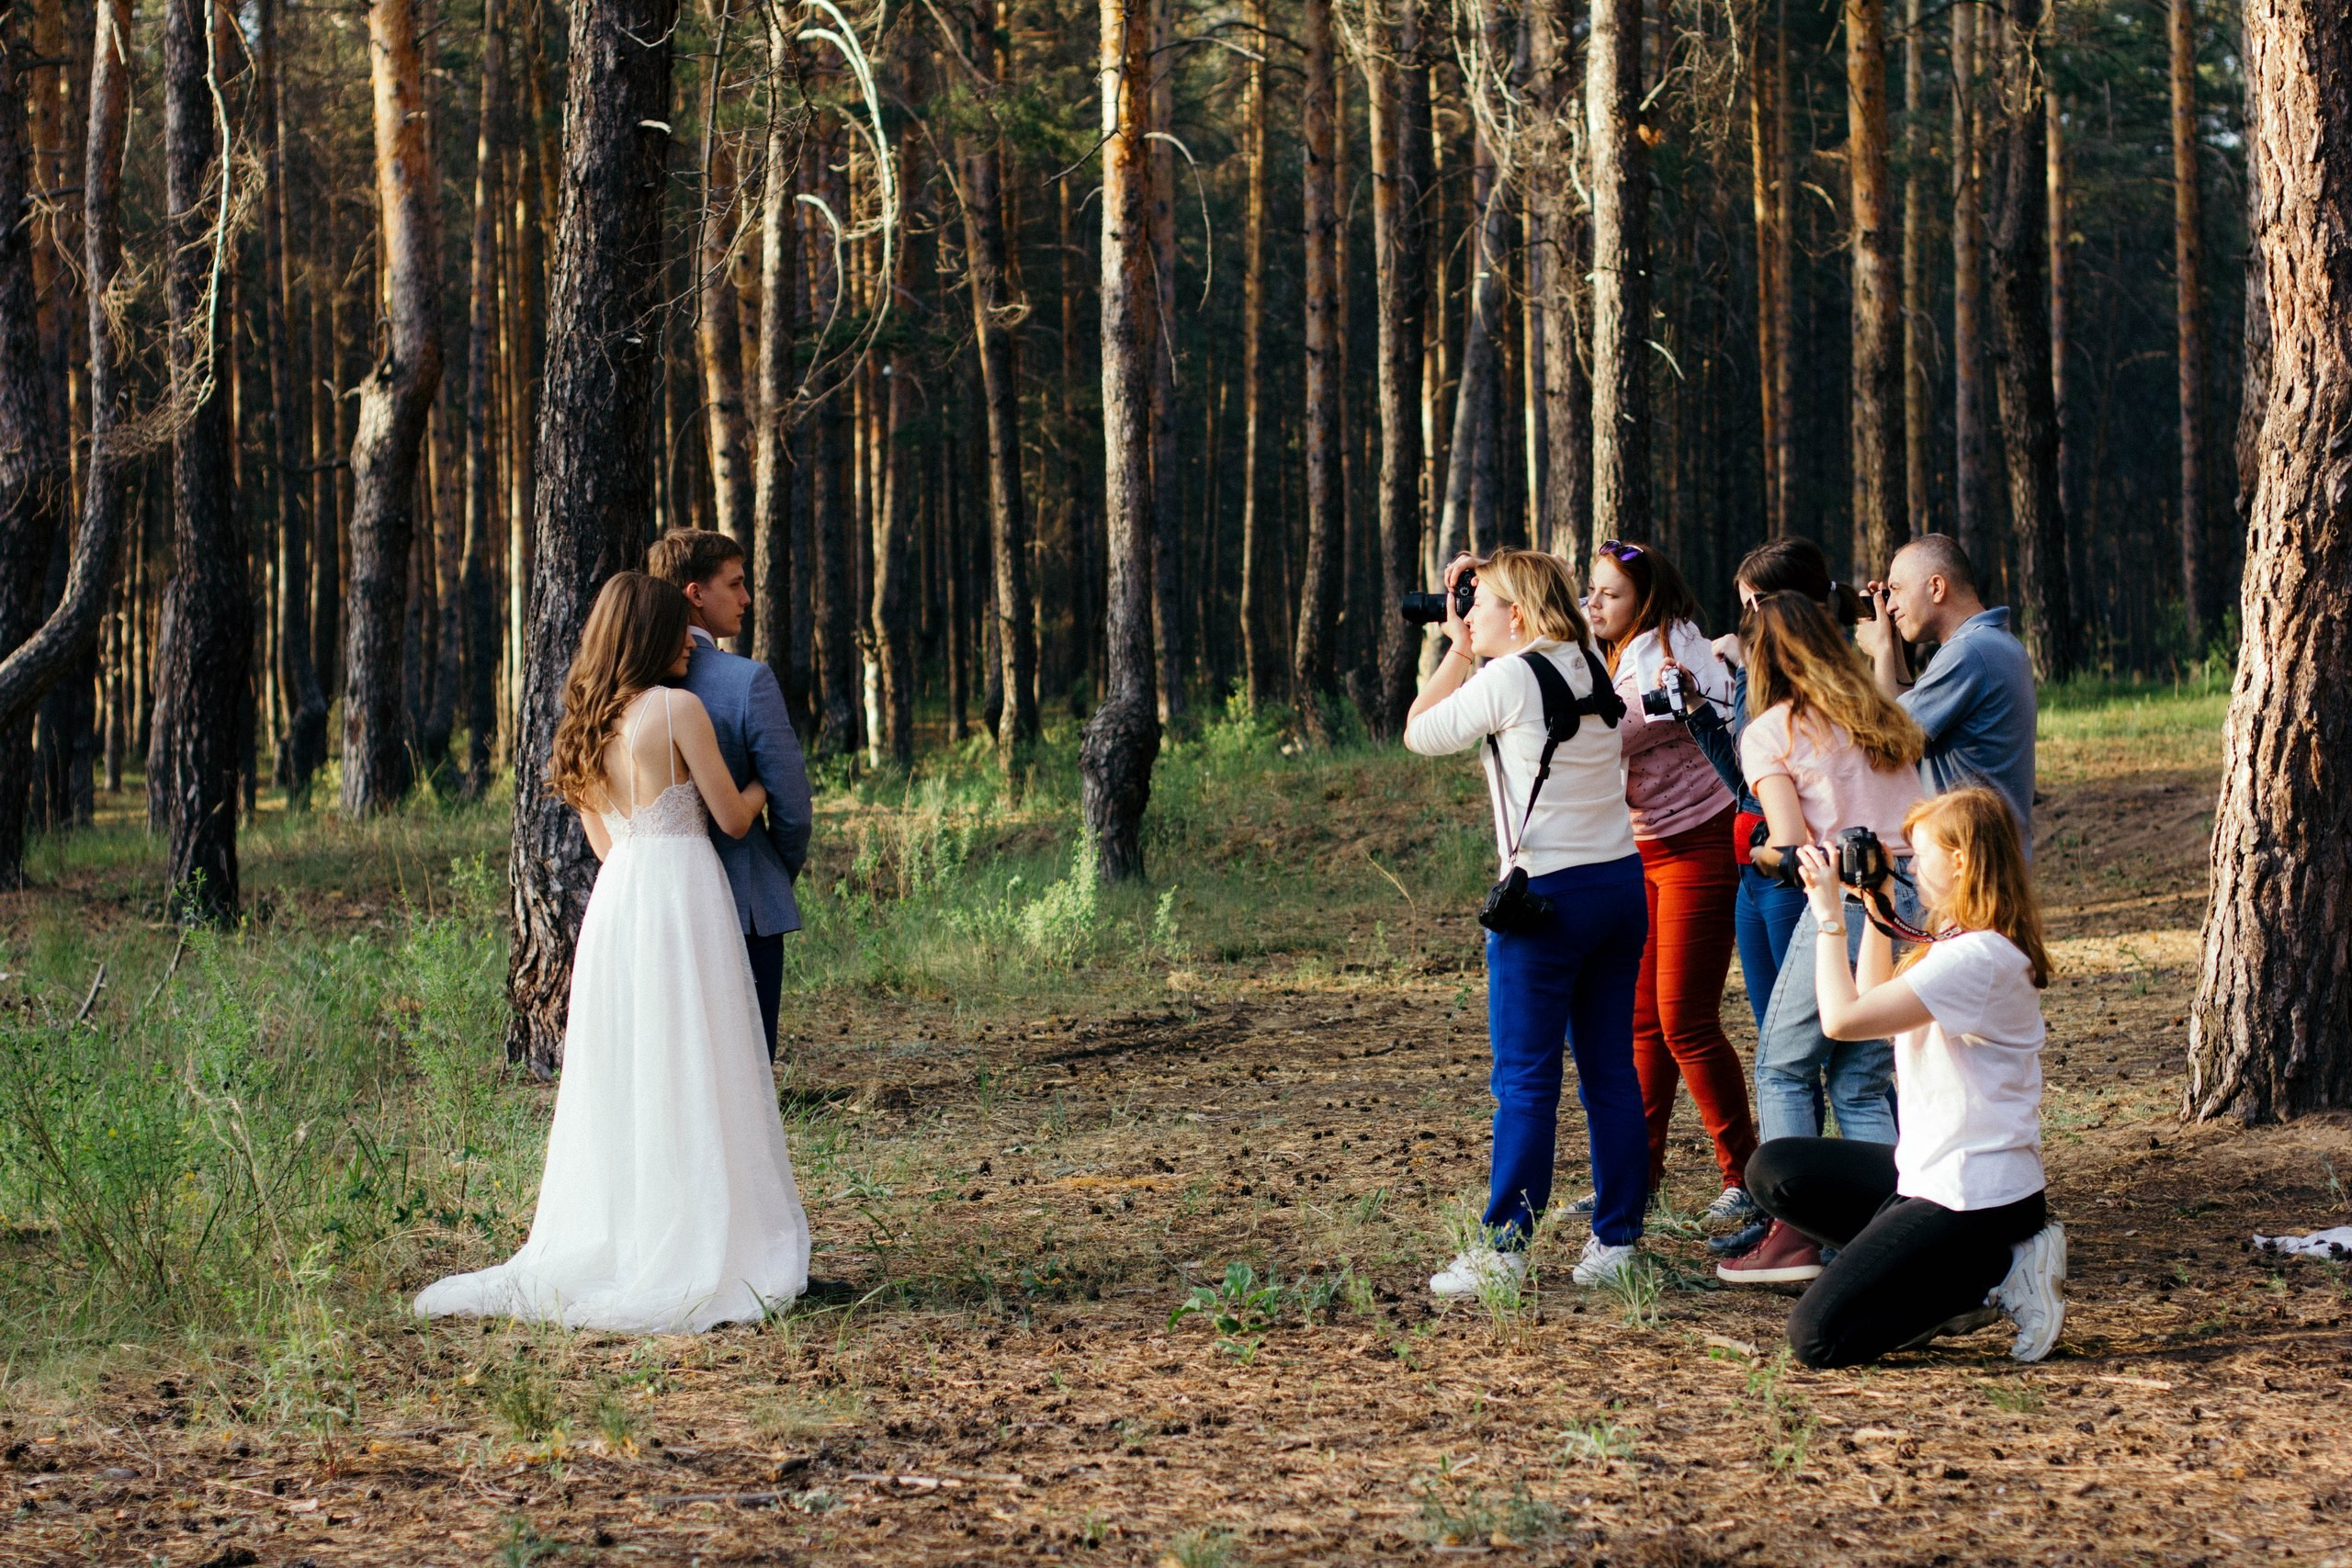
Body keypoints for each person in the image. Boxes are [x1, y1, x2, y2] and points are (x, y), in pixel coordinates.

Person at [414, 573, 810, 1332]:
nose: (690, 646)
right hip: (683, 894)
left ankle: (632, 1229)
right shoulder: (677, 709)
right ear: (648, 637)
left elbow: (603, 843)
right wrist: (765, 781)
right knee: (698, 1057)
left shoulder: (584, 727)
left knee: (633, 1069)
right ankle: (699, 1227)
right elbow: (731, 819)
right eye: (676, 632)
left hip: (621, 899)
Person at [1744, 785, 2065, 1367]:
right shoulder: (1962, 945)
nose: (1910, 867)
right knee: (1776, 1171)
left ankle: (1994, 1276)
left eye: (1919, 856)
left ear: (1960, 860)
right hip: (1932, 1173)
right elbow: (1872, 1004)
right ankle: (1932, 1269)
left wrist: (1828, 920)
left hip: (1975, 1198)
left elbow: (1841, 1021)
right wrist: (1877, 905)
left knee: (1815, 1338)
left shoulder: (1976, 959)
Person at [1405, 547, 1649, 1294]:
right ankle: (1618, 1241)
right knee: (1610, 1071)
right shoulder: (1589, 663)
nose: (1468, 614)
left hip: (1546, 900)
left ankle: (1503, 1251)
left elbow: (1419, 730)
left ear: (1515, 615)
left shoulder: (1509, 676)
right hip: (1619, 886)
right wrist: (1481, 593)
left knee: (1525, 1078)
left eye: (1479, 603)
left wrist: (1454, 648)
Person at [1716, 592, 1927, 1286]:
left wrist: (1756, 852)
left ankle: (1796, 1233)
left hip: (1849, 896)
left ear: (1761, 657)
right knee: (1861, 1081)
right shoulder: (1881, 714)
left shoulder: (1769, 732)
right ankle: (1891, 1237)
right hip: (1916, 891)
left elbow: (1790, 844)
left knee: (1783, 1065)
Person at [1579, 539, 1758, 1226]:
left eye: (1610, 594)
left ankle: (1745, 1177)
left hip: (1698, 844)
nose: (1595, 604)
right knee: (1644, 1021)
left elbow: (1607, 733)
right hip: (1645, 848)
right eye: (1591, 591)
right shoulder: (1614, 649)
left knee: (1685, 1018)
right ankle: (1636, 1177)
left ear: (1645, 599)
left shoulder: (1668, 652)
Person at [647, 528, 813, 1058]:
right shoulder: (747, 682)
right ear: (695, 593)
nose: (746, 598)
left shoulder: (625, 688)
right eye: (736, 584)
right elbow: (794, 809)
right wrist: (773, 870)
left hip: (653, 908)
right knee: (745, 1068)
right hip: (745, 901)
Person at [1856, 533, 2038, 838]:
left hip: (1965, 856)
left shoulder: (1970, 652)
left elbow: (1889, 743)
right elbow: (1908, 719)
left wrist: (1882, 650)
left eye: (1897, 589)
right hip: (1985, 850)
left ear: (1937, 588)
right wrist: (1893, 647)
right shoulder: (1992, 641)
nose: (1890, 607)